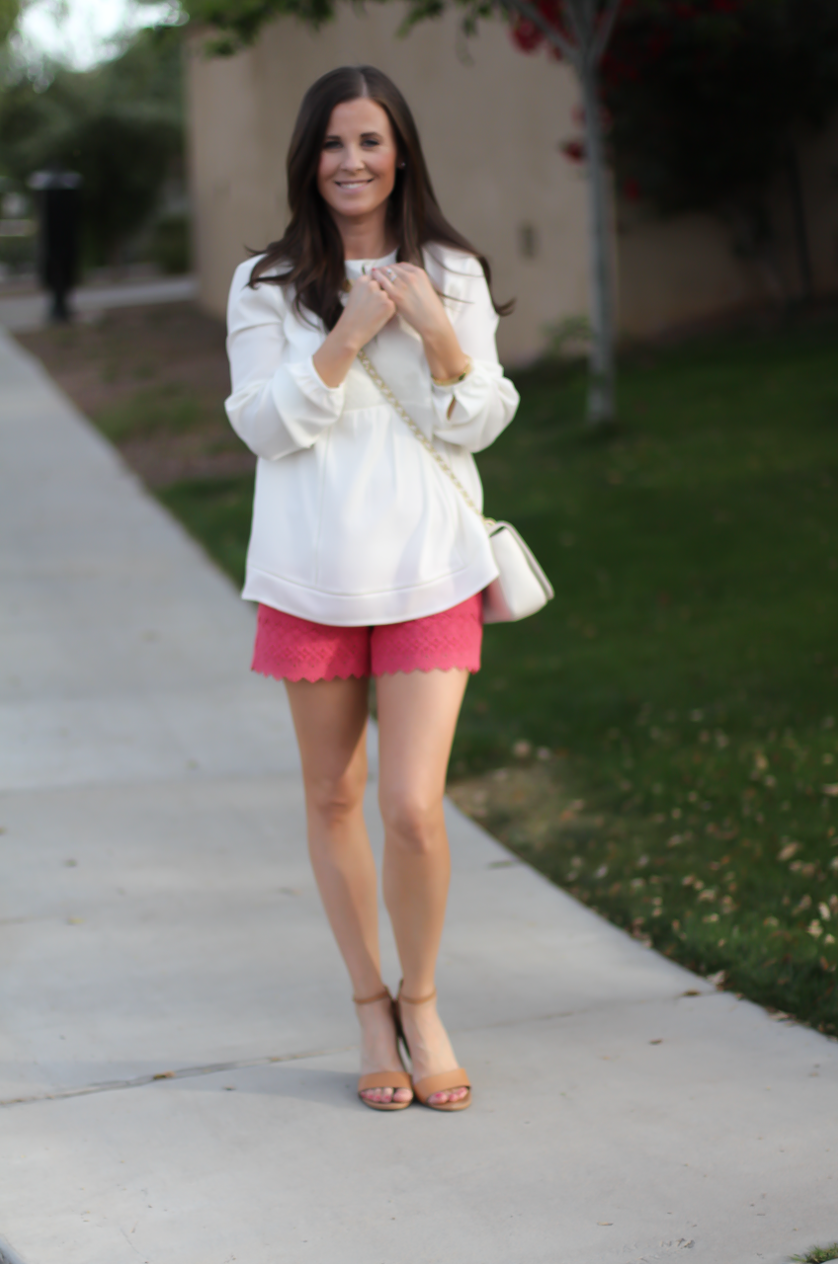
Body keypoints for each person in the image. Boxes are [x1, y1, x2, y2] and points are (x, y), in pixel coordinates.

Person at [225, 65, 519, 1112]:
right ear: (308, 159)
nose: (351, 162)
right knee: (334, 794)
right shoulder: (264, 283)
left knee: (410, 807)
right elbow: (260, 426)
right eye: (333, 143)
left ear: (401, 153)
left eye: (370, 141)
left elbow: (477, 418)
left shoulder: (450, 267)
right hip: (310, 574)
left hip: (428, 566)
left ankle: (424, 998)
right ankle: (368, 1006)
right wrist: (346, 334)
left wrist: (435, 330)